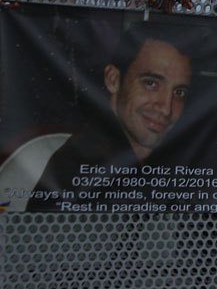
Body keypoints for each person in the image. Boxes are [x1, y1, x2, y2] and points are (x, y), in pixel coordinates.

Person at [30, 23, 198, 210]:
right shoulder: (80, 166)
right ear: (113, 79)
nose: (166, 109)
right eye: (151, 83)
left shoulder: (173, 163)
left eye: (179, 93)